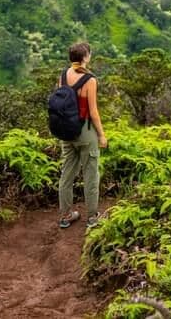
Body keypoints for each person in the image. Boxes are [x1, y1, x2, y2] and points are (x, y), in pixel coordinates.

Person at [57, 42, 108, 229]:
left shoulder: (62, 76)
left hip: (65, 131)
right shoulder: (90, 80)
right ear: (86, 57)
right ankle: (93, 217)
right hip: (85, 131)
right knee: (91, 174)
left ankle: (65, 215)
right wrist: (101, 135)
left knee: (67, 174)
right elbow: (93, 112)